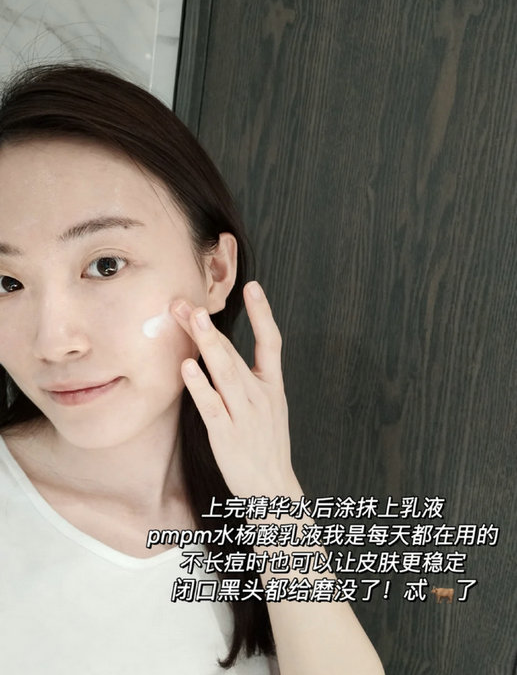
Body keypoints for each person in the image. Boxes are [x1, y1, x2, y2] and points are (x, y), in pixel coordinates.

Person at [0, 62, 384, 675]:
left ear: (215, 273)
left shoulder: (254, 518)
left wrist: (273, 496)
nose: (55, 341)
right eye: (7, 282)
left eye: (105, 265)